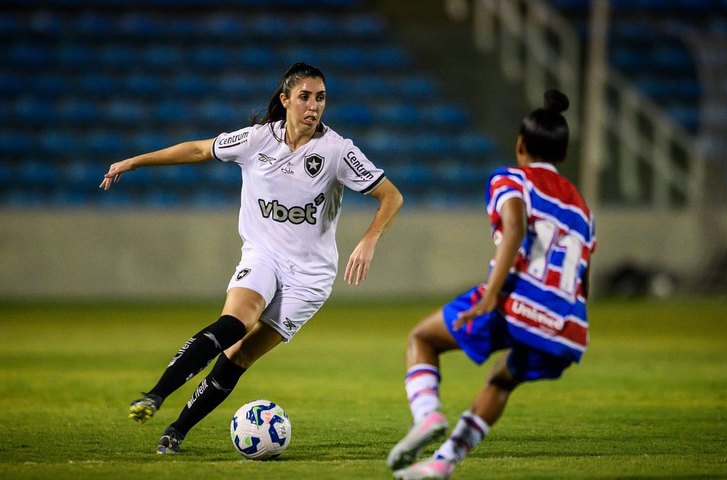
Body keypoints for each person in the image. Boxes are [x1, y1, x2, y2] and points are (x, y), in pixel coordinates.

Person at [100, 62, 403, 454]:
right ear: (285, 99)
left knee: (239, 355)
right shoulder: (258, 139)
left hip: (310, 277)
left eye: (321, 98)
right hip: (263, 255)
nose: (313, 106)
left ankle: (177, 430)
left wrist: (369, 239)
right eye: (305, 97)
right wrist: (134, 161)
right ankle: (155, 394)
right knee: (234, 323)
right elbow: (198, 148)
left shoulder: (337, 151)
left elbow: (391, 196)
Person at [387, 90, 595, 479]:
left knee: (423, 339)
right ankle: (442, 463)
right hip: (567, 323)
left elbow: (515, 226)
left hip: (516, 298)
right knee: (501, 381)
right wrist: (571, 324)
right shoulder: (583, 209)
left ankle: (427, 415)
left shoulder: (511, 179)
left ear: (520, 145)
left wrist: (493, 292)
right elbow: (583, 272)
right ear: (563, 155)